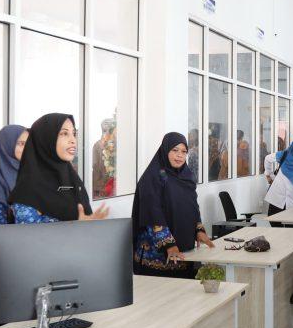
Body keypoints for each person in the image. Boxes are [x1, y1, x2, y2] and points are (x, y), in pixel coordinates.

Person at [130, 133, 213, 278]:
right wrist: (169, 245)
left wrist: (199, 229)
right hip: (155, 259)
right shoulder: (152, 178)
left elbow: (192, 206)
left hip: (183, 255)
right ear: (165, 150)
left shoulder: (187, 176)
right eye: (175, 150)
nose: (180, 155)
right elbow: (152, 213)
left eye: (184, 151)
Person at [9, 113, 109, 223]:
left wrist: (89, 225)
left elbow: (83, 222)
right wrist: (77, 227)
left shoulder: (73, 181)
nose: (73, 140)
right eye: (64, 133)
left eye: (73, 134)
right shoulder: (28, 189)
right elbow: (28, 233)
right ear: (45, 139)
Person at [263, 134, 293, 218]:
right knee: (274, 219)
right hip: (279, 194)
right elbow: (267, 158)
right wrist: (268, 175)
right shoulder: (284, 154)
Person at [91, 117, 117, 198]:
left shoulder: (118, 145)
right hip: (102, 188)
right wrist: (97, 188)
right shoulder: (97, 145)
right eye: (104, 130)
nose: (107, 132)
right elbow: (95, 167)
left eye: (109, 130)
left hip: (116, 188)